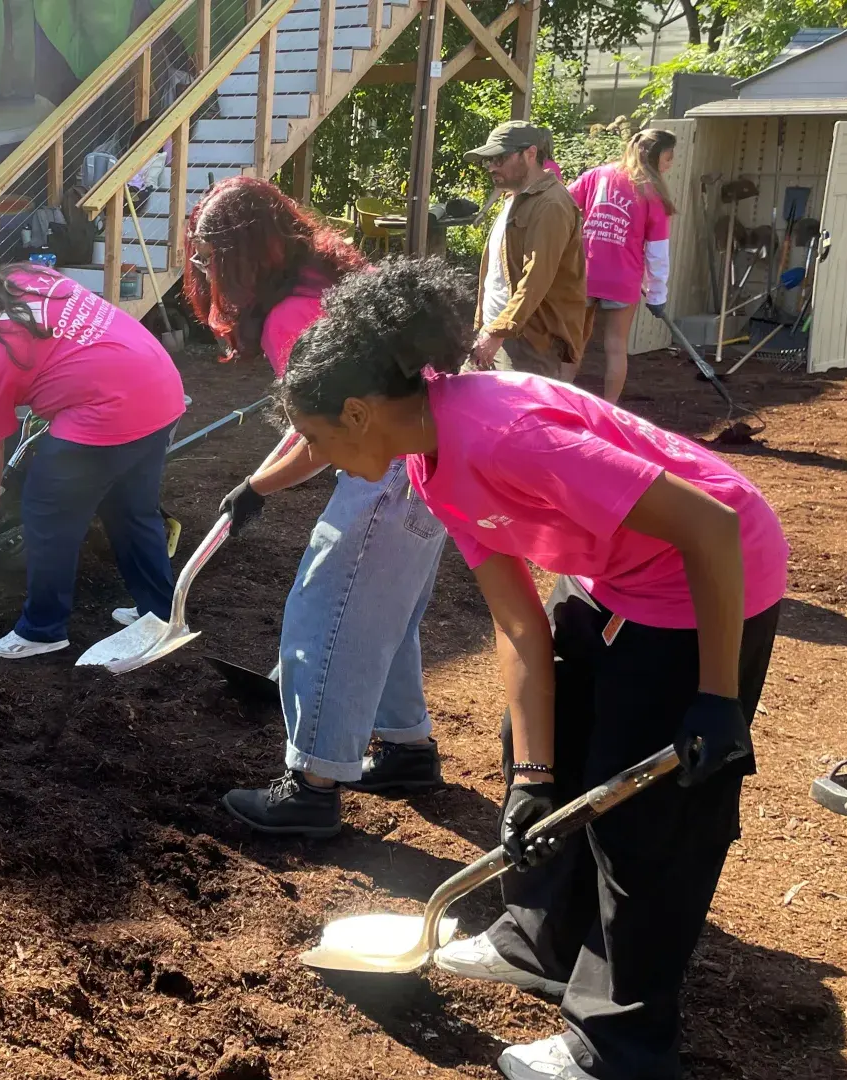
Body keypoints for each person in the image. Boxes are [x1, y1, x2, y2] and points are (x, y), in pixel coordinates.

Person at [276, 257, 788, 1080]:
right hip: (610, 573)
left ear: (361, 412)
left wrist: (716, 696)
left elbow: (714, 525)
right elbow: (518, 625)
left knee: (647, 826)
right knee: (550, 745)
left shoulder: (507, 434)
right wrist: (530, 779)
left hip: (704, 583)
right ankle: (537, 940)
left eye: (318, 434)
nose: (319, 455)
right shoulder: (428, 462)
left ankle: (618, 1045)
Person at [178, 178, 447, 838]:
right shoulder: (323, 283)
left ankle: (312, 786)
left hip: (386, 470)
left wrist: (261, 489)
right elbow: (312, 417)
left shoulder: (290, 315)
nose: (209, 271)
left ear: (246, 254)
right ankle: (406, 748)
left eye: (215, 257)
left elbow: (332, 433)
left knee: (326, 608)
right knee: (384, 614)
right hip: (430, 462)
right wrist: (257, 479)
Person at [0, 260, 186, 659]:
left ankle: (42, 629)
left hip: (107, 408)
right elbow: (61, 340)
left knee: (46, 510)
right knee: (131, 508)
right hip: (158, 383)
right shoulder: (24, 276)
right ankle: (160, 613)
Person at [464, 121, 590, 382]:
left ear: (530, 154)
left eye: (500, 158)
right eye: (489, 160)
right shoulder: (515, 197)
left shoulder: (551, 205)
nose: (491, 166)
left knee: (519, 421)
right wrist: (485, 327)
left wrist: (498, 332)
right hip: (498, 334)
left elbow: (536, 278)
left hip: (528, 344)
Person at [570, 128, 677, 404]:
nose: (671, 163)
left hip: (586, 274)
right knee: (616, 347)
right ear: (654, 157)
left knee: (572, 344)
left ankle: (559, 399)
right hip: (623, 279)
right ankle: (609, 409)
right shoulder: (654, 195)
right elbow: (657, 253)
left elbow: (563, 203)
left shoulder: (597, 175)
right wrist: (657, 295)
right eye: (668, 157)